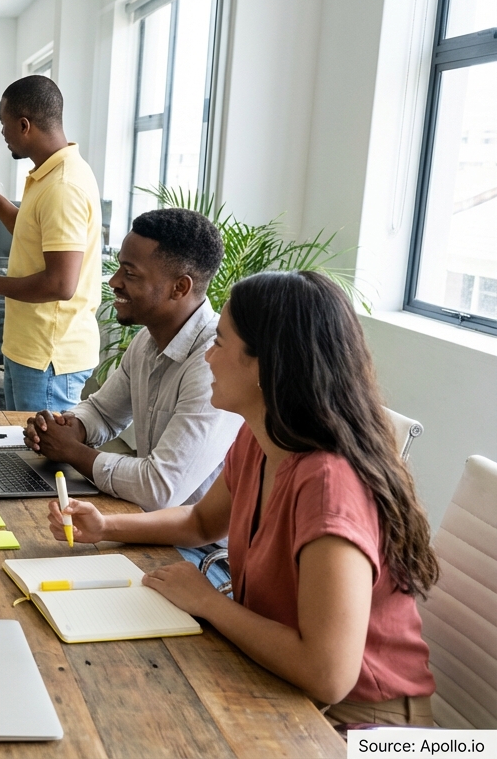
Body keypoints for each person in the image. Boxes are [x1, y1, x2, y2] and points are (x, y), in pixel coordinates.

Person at [49, 271, 438, 726]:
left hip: (364, 722)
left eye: (219, 343)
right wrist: (105, 527)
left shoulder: (330, 486)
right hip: (282, 682)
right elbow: (199, 524)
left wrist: (211, 603)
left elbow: (328, 675)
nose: (208, 358)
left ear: (267, 364)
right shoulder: (263, 437)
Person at [26, 208, 242, 582]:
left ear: (180, 287)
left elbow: (160, 489)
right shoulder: (148, 339)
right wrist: (69, 427)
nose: (114, 282)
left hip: (202, 555)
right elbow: (105, 412)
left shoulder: (212, 364)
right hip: (150, 526)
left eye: (130, 273)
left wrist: (73, 452)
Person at [0, 75, 102, 413]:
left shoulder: (63, 186)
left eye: (4, 126)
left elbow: (61, 284)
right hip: (31, 351)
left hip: (49, 358)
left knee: (44, 462)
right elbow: (29, 232)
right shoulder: (49, 175)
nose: (2, 134)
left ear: (24, 125)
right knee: (23, 456)